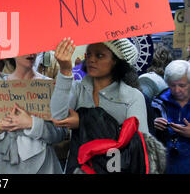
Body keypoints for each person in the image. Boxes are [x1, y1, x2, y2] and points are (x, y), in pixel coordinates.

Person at [50, 37, 149, 173]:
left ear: (116, 61)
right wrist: (65, 71)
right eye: (89, 54)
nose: (91, 59)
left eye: (100, 55)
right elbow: (57, 116)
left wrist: (84, 121)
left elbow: (138, 145)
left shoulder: (132, 97)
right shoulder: (79, 89)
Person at [0, 53, 67, 174]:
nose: (30, 53)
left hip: (42, 165)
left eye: (33, 48)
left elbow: (61, 132)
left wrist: (32, 124)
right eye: (24, 48)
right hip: (1, 163)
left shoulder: (48, 85)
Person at [152, 60, 190, 174]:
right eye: (172, 85)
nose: (177, 90)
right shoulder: (158, 102)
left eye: (182, 85)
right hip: (166, 165)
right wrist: (153, 124)